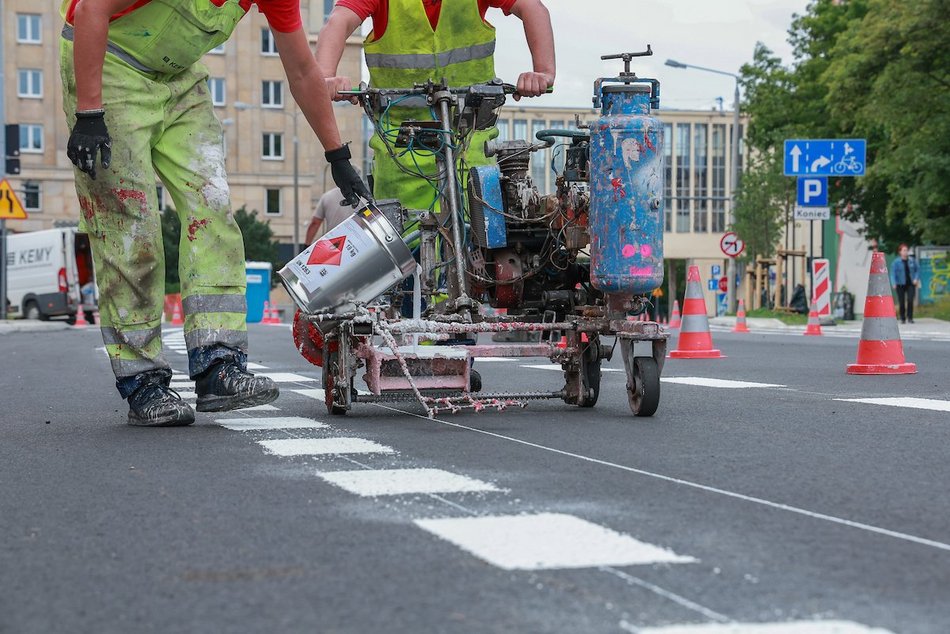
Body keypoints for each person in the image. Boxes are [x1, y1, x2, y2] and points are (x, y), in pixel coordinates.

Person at [61, 0, 371, 427]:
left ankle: (218, 366)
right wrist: (90, 113)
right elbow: (90, 10)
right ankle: (142, 382)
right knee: (131, 231)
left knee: (213, 212)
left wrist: (336, 154)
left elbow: (302, 72)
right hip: (109, 68)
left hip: (177, 80)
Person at [315, 0, 555, 211]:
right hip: (400, 154)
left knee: (486, 242)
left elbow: (532, 7)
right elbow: (339, 22)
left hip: (471, 146)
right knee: (404, 251)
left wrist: (543, 72)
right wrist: (326, 77)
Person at [890, 243, 920, 324]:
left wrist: (916, 279)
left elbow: (918, 270)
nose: (906, 252)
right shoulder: (896, 262)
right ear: (900, 252)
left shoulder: (912, 260)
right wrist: (894, 283)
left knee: (910, 300)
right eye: (904, 250)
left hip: (910, 283)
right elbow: (892, 273)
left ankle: (910, 317)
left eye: (907, 250)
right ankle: (903, 318)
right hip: (900, 284)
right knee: (901, 301)